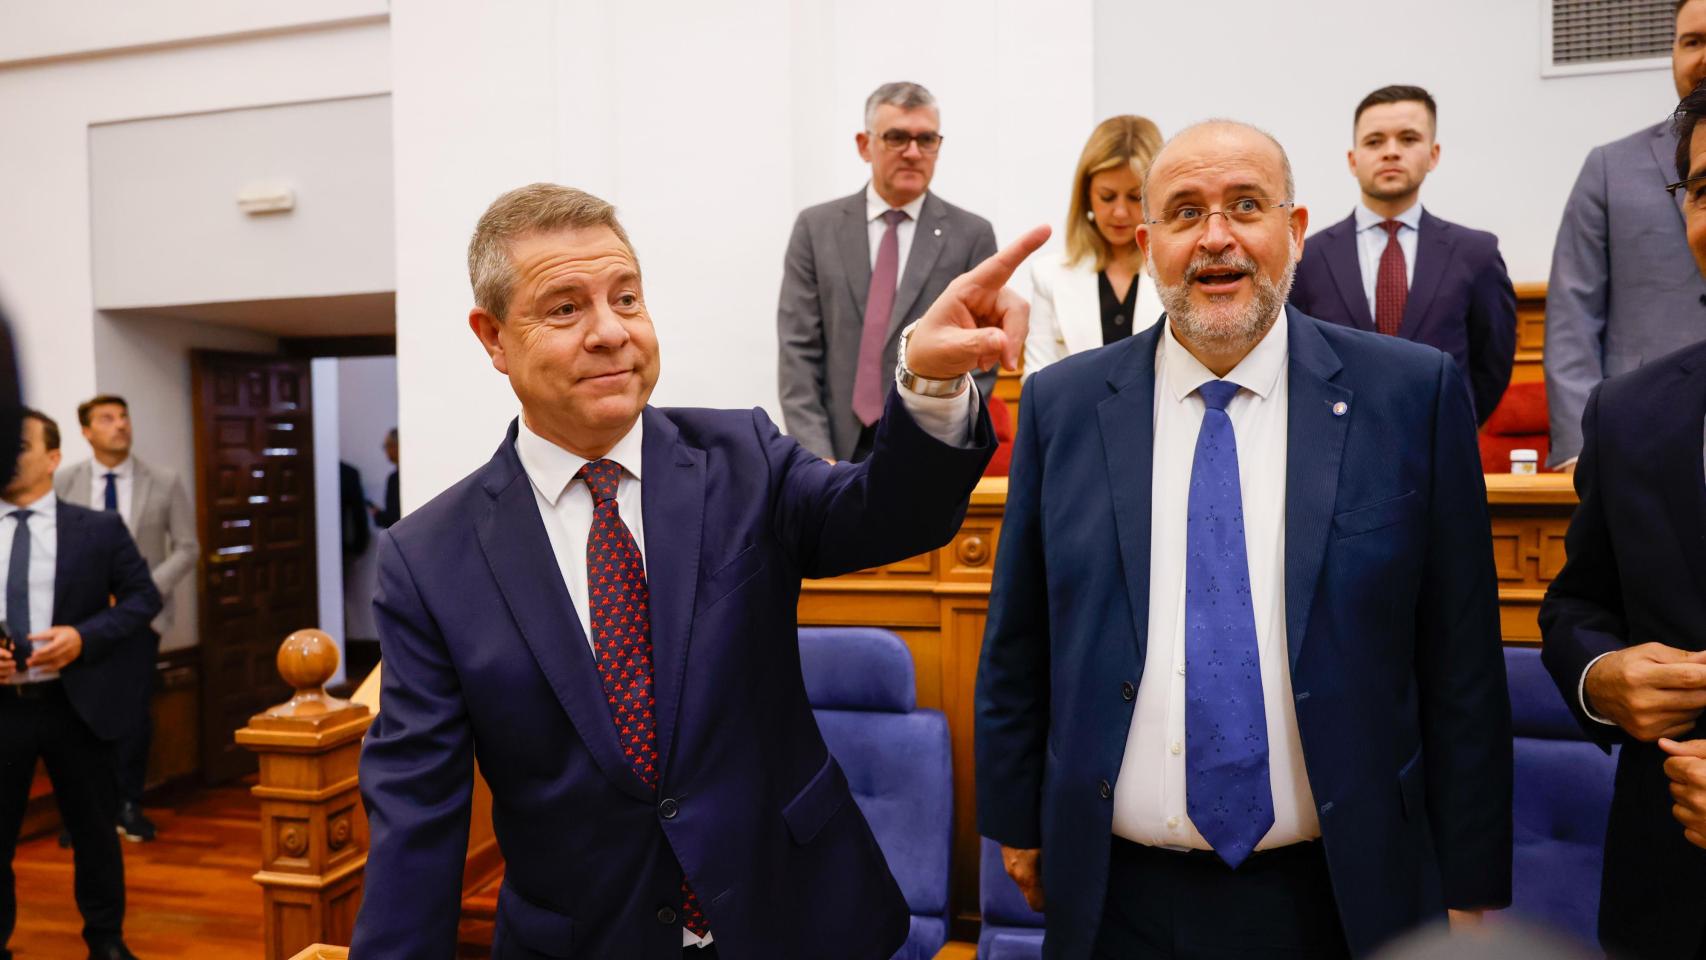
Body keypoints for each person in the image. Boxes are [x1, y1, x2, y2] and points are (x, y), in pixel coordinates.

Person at [349, 183, 1042, 959]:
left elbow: (891, 513)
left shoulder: (741, 457)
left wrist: (929, 380)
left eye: (626, 298)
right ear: (494, 337)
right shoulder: (429, 560)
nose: (611, 332)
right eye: (567, 308)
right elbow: (417, 822)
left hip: (798, 920)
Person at [975, 120, 1511, 960]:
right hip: (1120, 895)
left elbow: (1462, 662)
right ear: (1149, 244)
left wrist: (1474, 879)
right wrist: (1017, 825)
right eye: (1185, 213)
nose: (1216, 237)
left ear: (1293, 232)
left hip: (1341, 892)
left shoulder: (1409, 396)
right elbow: (1019, 641)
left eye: (1246, 206)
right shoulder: (1064, 407)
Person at [1538, 81, 1706, 960]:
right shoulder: (1630, 413)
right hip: (1666, 904)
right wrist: (1600, 674)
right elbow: (1574, 608)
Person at [0, 410, 161, 960]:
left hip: (77, 703)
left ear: (52, 457)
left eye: (19, 444)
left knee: (94, 831)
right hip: (3, 710)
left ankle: (106, 941)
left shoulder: (97, 530)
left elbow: (143, 599)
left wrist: (82, 637)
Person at [778, 81, 999, 462]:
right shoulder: (816, 228)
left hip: (925, 452)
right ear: (865, 145)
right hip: (833, 450)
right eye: (897, 137)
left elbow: (978, 362)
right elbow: (798, 352)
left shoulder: (972, 236)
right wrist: (815, 458)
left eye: (926, 139)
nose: (913, 152)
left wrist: (934, 447)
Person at [1288, 85, 1517, 425]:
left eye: (1408, 139)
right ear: (1353, 160)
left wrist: (1455, 422)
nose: (1391, 152)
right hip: (1336, 442)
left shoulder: (1476, 253)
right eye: (1374, 141)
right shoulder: (1308, 256)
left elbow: (1491, 365)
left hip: (1440, 443)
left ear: (1433, 154)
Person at [1545, 0, 1706, 468]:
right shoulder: (1608, 167)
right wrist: (1581, 447)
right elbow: (1572, 316)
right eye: (1692, 42)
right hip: (1637, 435)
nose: (1702, 57)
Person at [53, 395, 197, 844]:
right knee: (80, 714)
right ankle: (86, 813)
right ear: (86, 431)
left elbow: (187, 547)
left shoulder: (164, 480)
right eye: (107, 419)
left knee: (133, 715)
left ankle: (128, 805)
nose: (119, 426)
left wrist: (142, 593)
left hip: (139, 620)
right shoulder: (64, 481)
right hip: (82, 621)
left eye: (124, 417)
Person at [1024, 115, 1168, 380]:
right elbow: (1037, 382)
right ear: (1086, 195)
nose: (1120, 212)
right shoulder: (1048, 276)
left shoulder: (1179, 272)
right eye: (1107, 196)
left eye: (1135, 197)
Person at [369, 428, 400, 529]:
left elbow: (394, 519)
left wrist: (378, 515)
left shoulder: (395, 479)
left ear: (397, 446)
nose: (386, 450)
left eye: (387, 446)